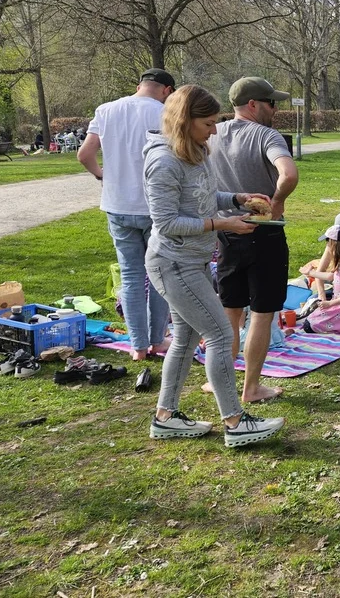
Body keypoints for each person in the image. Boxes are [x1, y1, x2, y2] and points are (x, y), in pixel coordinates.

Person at [142, 84, 284, 447]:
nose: (214, 131)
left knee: (185, 339)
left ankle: (165, 418)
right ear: (184, 121)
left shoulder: (196, 151)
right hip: (173, 263)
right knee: (220, 334)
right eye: (207, 124)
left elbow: (203, 198)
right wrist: (223, 224)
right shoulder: (163, 162)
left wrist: (237, 198)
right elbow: (167, 223)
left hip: (193, 261)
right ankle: (235, 422)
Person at [204, 76, 299, 404]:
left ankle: (220, 382)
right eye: (272, 103)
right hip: (264, 233)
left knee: (230, 311)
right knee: (261, 313)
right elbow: (289, 174)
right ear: (254, 104)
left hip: (227, 232)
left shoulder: (213, 133)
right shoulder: (266, 135)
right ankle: (252, 388)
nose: (275, 109)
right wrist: (277, 200)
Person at [77, 67, 175, 361]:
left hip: (117, 204)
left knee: (131, 277)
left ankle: (137, 345)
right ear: (167, 91)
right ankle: (157, 339)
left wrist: (102, 175)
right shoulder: (165, 113)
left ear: (139, 85)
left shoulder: (106, 110)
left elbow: (84, 154)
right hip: (155, 206)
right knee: (159, 275)